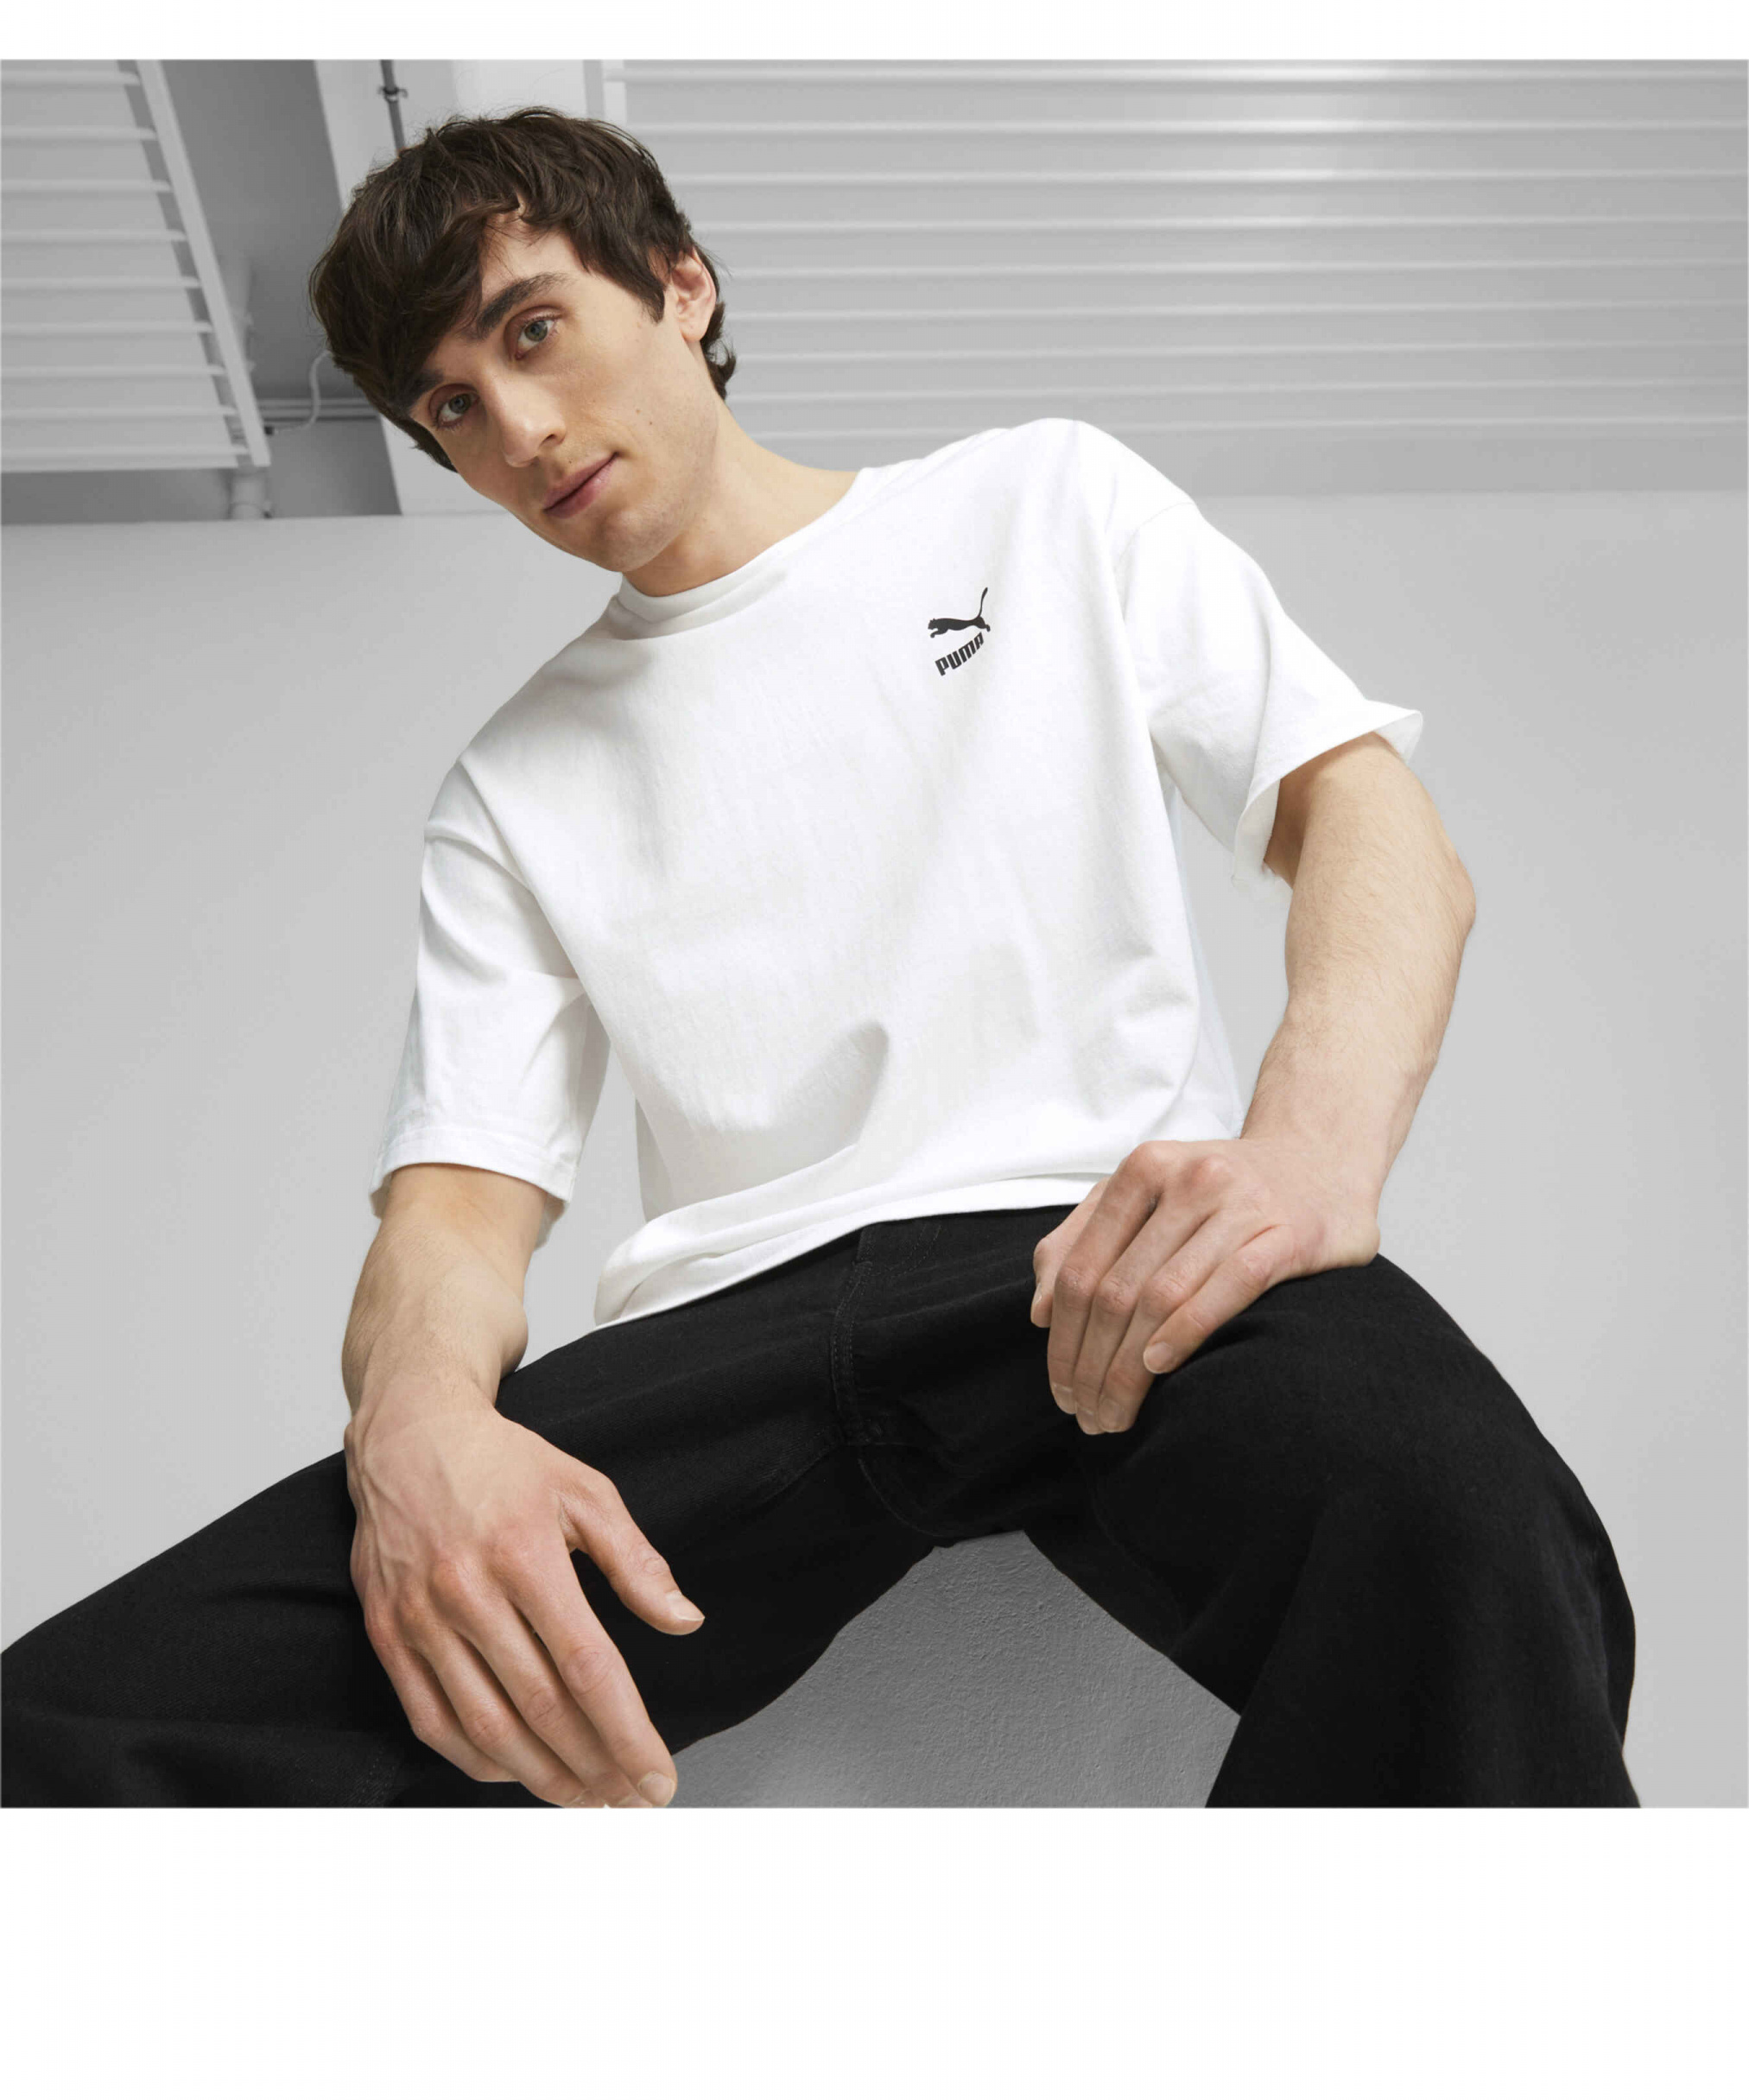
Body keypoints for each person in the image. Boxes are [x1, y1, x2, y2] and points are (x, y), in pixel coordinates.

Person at [1, 109, 1638, 1808]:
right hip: (729, 1340)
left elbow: (1369, 827)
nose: (518, 432)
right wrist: (415, 1433)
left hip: (1084, 1254)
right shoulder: (511, 781)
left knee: (1460, 1512)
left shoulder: (1041, 501)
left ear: (681, 285)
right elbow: (456, 1210)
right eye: (452, 411)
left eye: (532, 330)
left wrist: (1305, 1155)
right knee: (65, 1723)